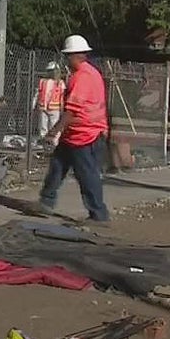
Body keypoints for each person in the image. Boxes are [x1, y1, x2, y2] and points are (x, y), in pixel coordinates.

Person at [39, 34, 110, 224]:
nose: (66, 60)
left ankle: (99, 214)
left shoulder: (82, 77)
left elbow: (72, 110)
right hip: (76, 134)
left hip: (85, 136)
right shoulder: (92, 73)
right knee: (57, 167)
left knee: (87, 175)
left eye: (67, 56)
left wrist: (54, 131)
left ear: (75, 56)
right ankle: (46, 201)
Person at [36, 62, 66, 138]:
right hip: (43, 108)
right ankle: (44, 142)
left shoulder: (60, 83)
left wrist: (62, 109)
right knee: (43, 127)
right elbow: (37, 93)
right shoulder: (42, 81)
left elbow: (62, 97)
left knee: (54, 126)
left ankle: (54, 143)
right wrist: (34, 105)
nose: (53, 73)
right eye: (50, 71)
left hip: (55, 109)